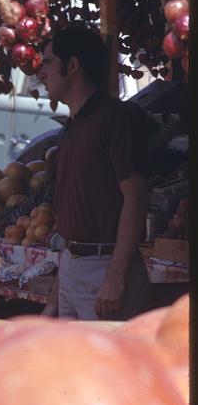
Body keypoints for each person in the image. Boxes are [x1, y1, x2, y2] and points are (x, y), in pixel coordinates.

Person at [39, 24, 151, 321]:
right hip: (72, 268)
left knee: (105, 367)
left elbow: (136, 198)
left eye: (48, 63)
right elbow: (71, 227)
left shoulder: (113, 119)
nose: (41, 73)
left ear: (73, 65)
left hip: (104, 269)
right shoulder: (72, 128)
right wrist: (55, 296)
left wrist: (115, 277)